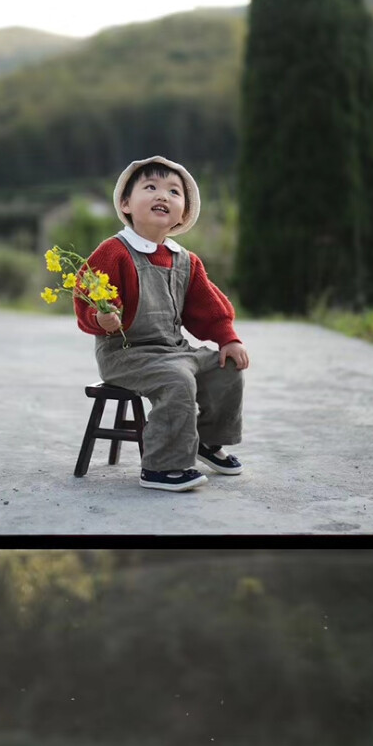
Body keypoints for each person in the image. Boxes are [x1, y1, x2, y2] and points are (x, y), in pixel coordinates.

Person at [74, 156, 249, 494]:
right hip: (126, 355)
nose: (162, 196)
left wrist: (227, 338)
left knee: (226, 368)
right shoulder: (114, 252)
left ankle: (206, 442)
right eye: (150, 187)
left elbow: (208, 308)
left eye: (173, 191)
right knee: (177, 380)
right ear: (126, 203)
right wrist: (100, 318)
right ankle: (162, 466)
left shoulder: (185, 260)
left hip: (175, 350)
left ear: (183, 213)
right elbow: (85, 298)